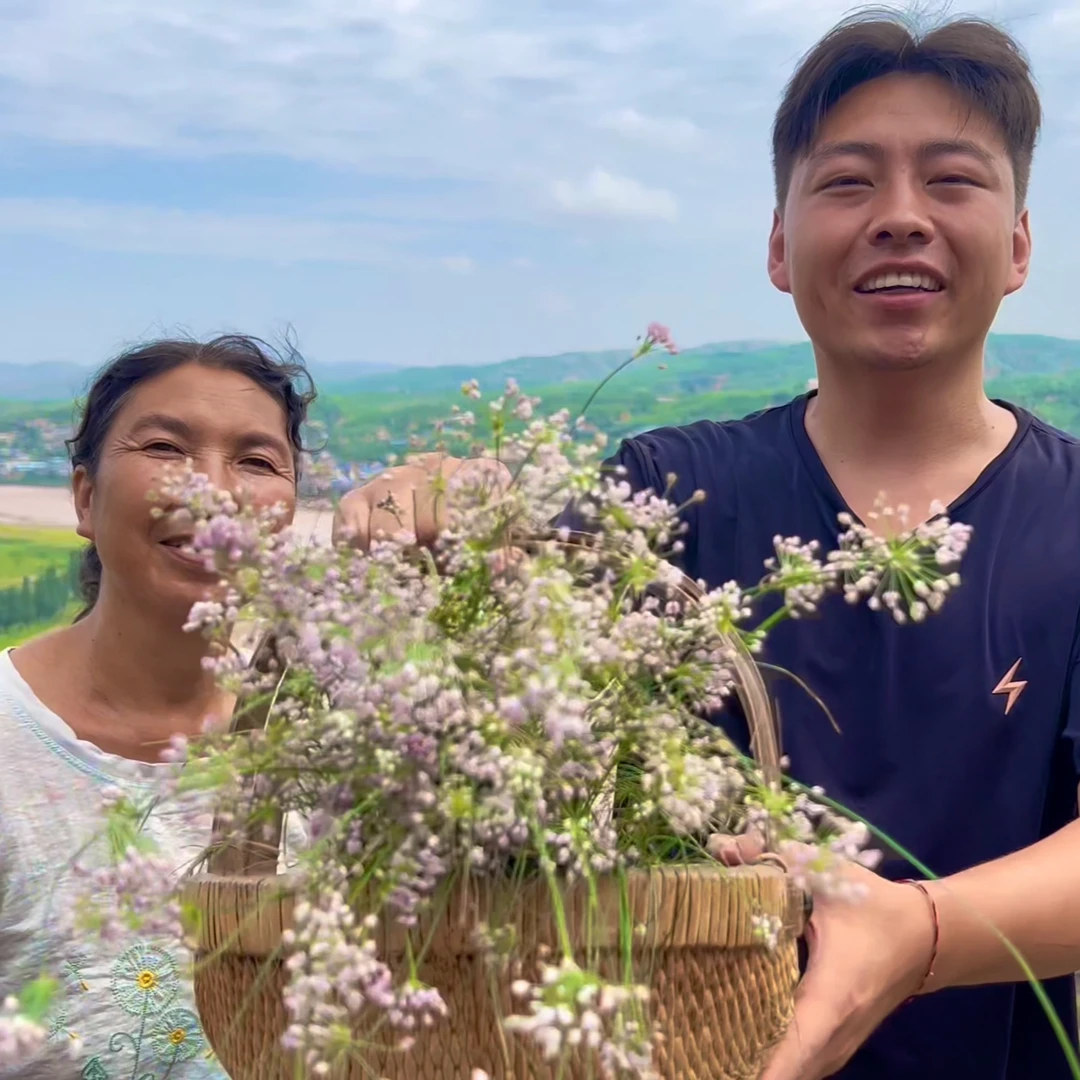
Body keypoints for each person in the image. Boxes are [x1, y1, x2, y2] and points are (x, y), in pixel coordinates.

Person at [332, 12, 1080, 1080]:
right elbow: (528, 695)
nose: (901, 218)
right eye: (849, 183)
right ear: (779, 248)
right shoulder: (663, 488)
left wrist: (914, 932)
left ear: (1016, 247)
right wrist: (456, 529)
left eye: (953, 181)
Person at [0, 336, 314, 1078]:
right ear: (85, 496)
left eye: (257, 461)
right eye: (167, 447)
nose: (213, 490)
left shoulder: (325, 752)